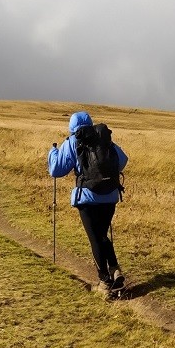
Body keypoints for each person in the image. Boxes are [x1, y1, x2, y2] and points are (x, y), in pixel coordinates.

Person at [48, 111, 128, 296]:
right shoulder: (103, 138)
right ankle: (115, 270)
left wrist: (53, 152)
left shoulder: (73, 141)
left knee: (96, 238)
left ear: (72, 127)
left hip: (87, 198)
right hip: (110, 196)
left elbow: (56, 170)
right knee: (102, 235)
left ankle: (104, 283)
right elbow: (122, 161)